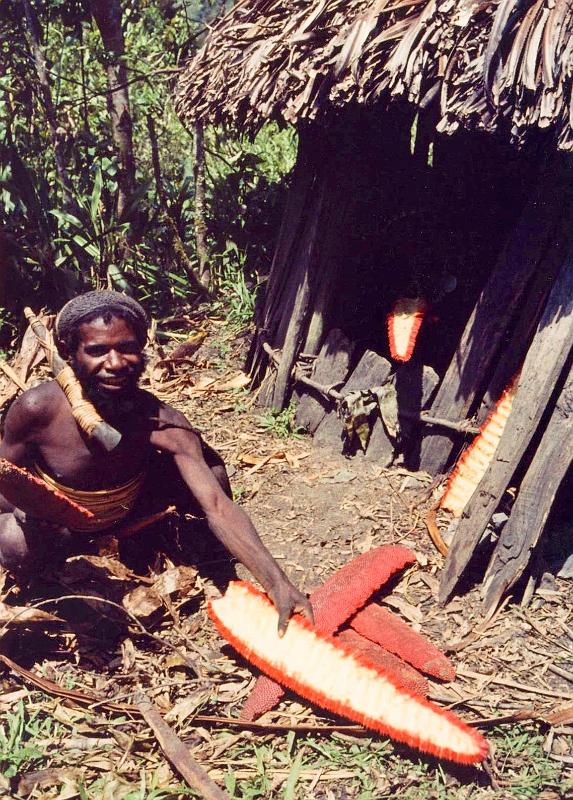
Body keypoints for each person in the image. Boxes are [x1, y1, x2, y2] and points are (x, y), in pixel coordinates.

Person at [0, 291, 312, 633]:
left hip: (128, 515)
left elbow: (217, 506)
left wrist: (276, 582)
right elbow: (5, 481)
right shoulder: (37, 410)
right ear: (69, 354)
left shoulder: (163, 422)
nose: (116, 363)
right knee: (15, 541)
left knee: (212, 473)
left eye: (127, 347)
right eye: (97, 351)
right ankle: (58, 589)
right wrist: (31, 509)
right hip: (57, 527)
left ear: (144, 346)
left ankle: (159, 544)